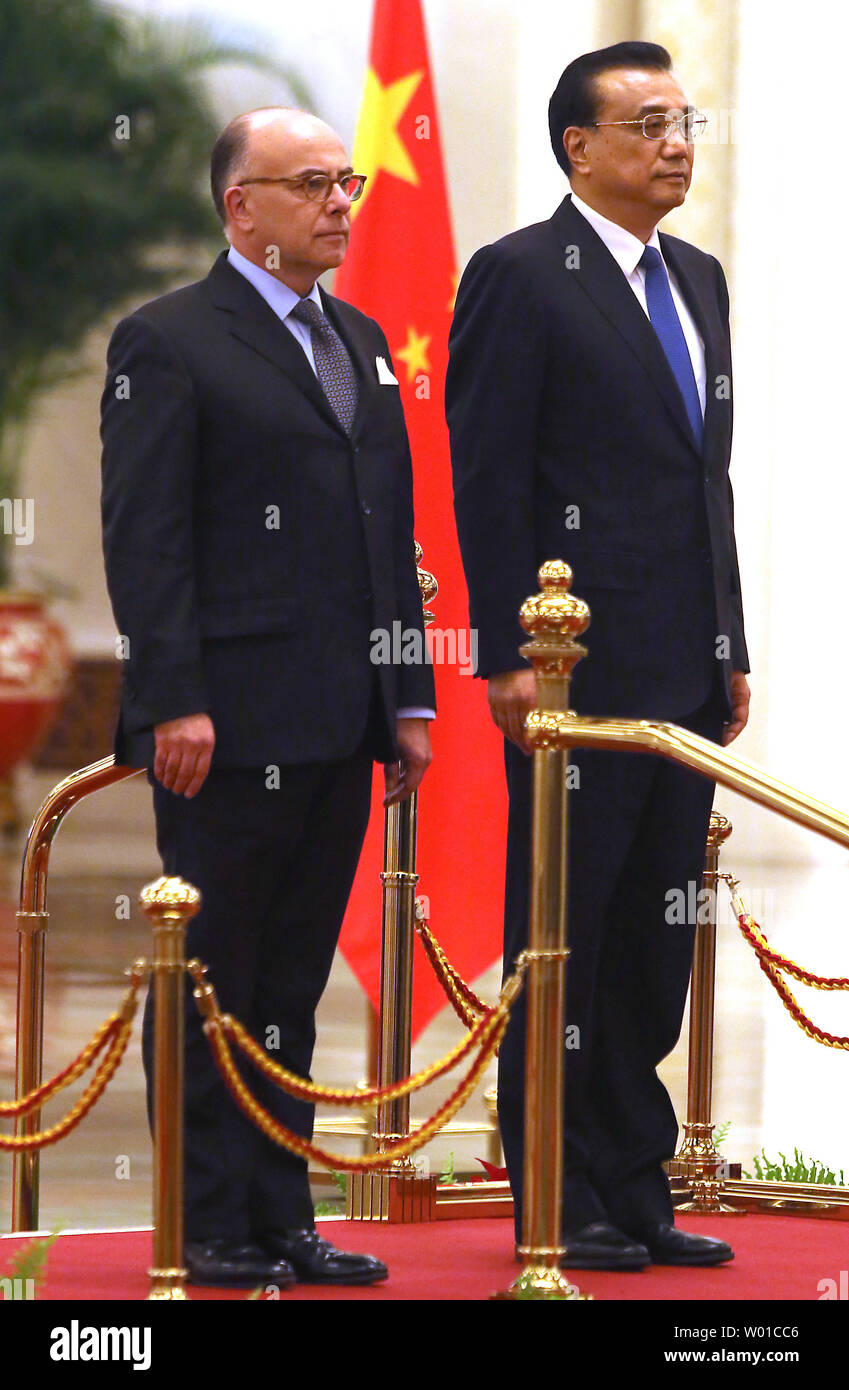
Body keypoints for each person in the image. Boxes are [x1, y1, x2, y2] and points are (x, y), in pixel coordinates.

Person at [101, 107, 435, 1288]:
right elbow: (148, 543)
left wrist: (410, 696)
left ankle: (280, 1211)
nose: (342, 202)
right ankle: (203, 1227)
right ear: (241, 206)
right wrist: (172, 696)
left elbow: (387, 535)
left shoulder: (359, 338)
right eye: (313, 185)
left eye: (346, 182)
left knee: (289, 984)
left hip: (343, 719)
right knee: (213, 983)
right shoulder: (171, 340)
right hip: (226, 728)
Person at [446, 42, 750, 1270]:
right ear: (581, 146)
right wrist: (514, 657)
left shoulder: (701, 278)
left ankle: (635, 1183)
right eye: (648, 125)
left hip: (682, 671)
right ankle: (556, 1193)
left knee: (652, 936)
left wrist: (729, 640)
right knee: (566, 930)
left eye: (684, 122)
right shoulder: (523, 275)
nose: (676, 144)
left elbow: (702, 482)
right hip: (573, 675)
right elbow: (487, 475)